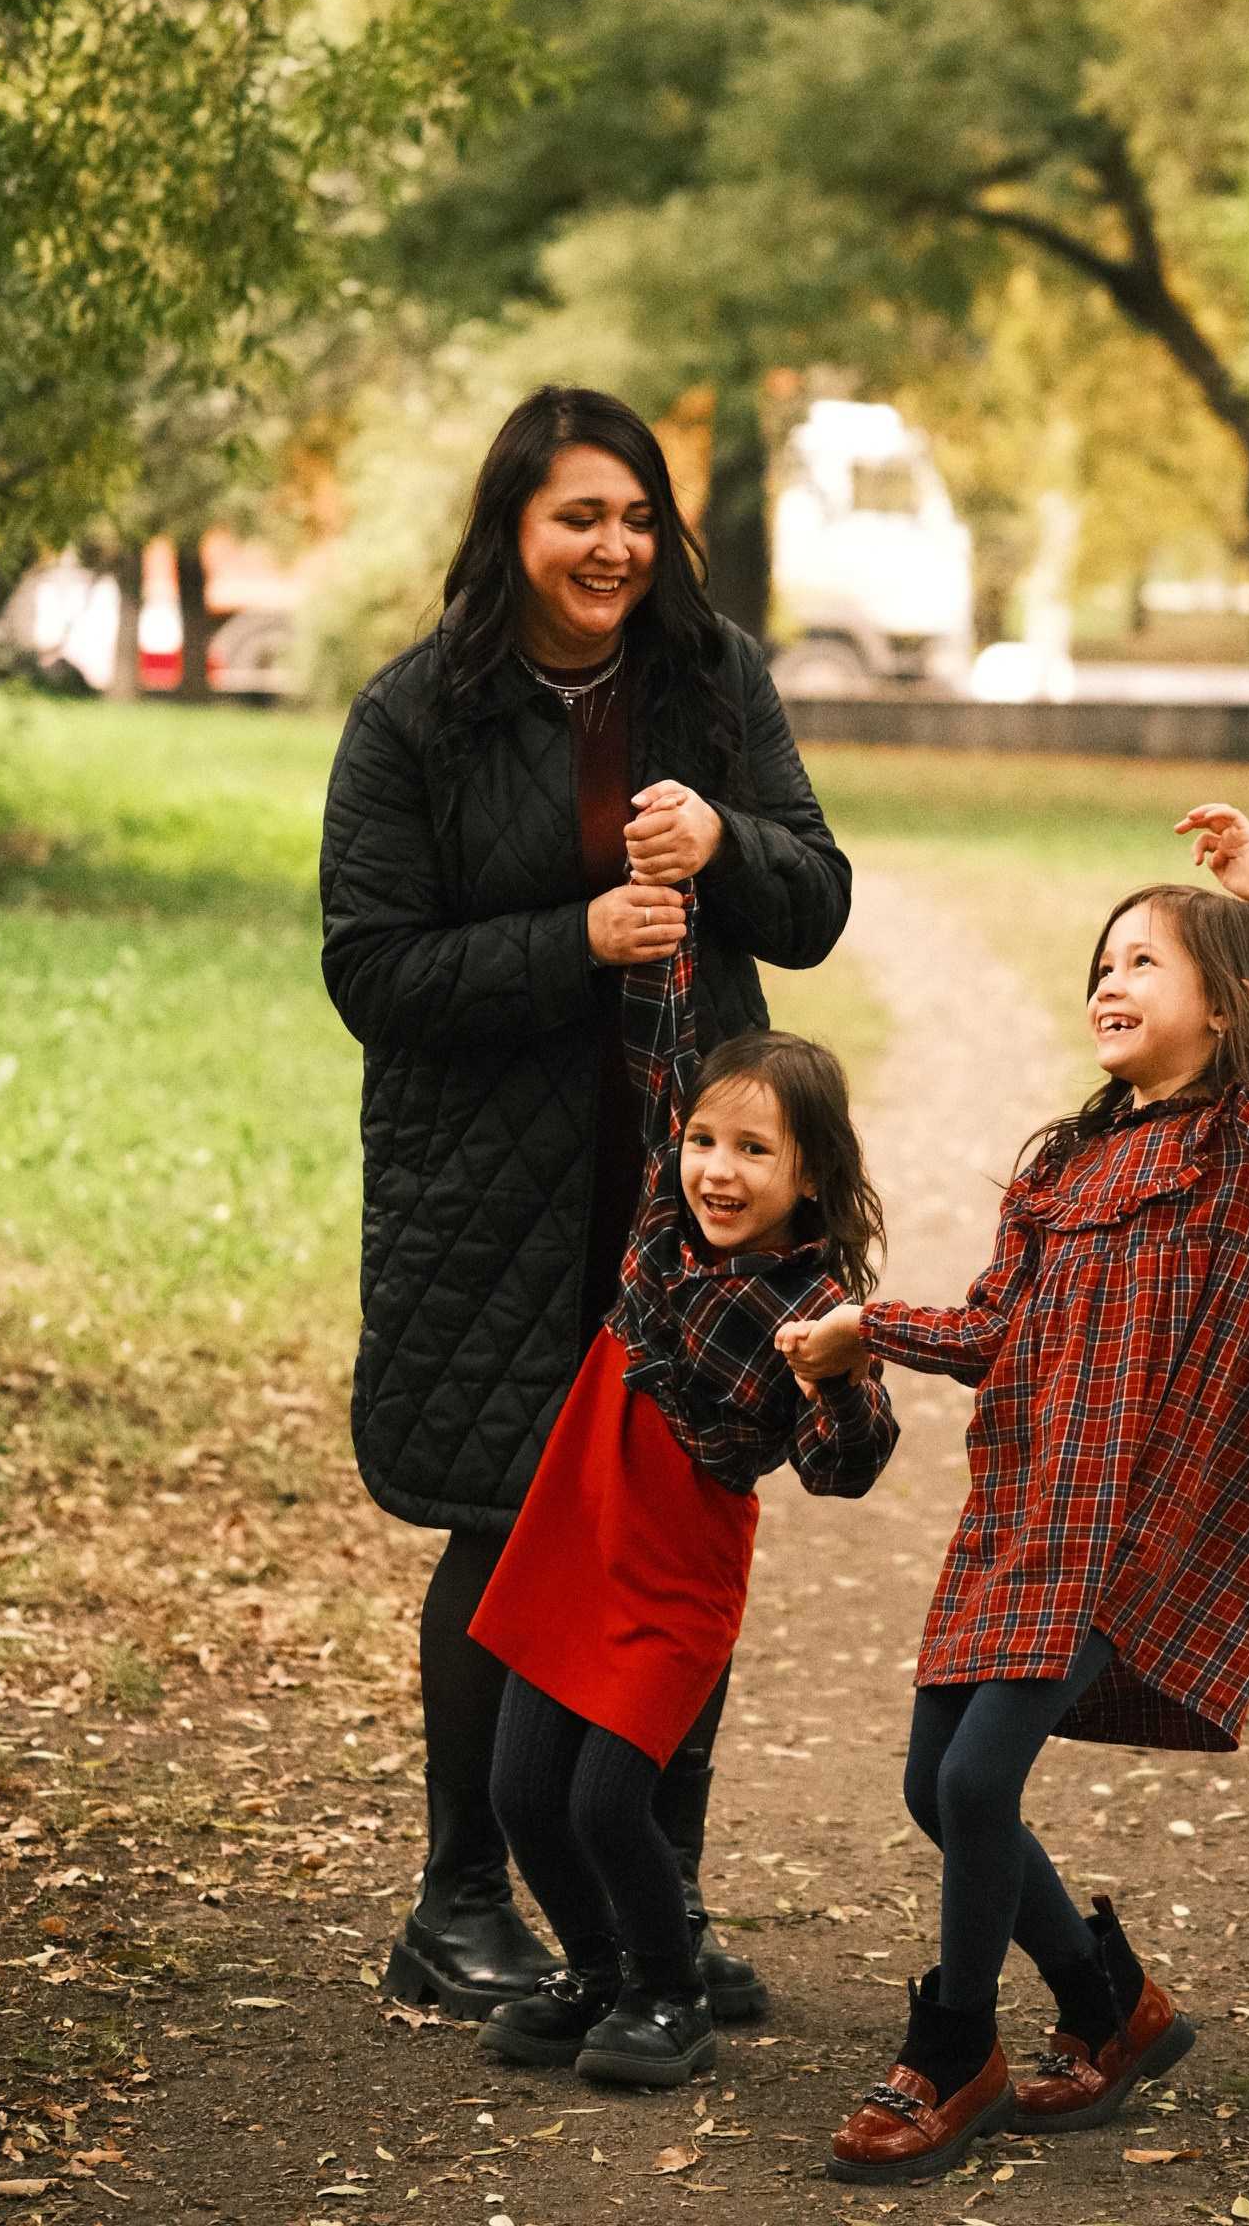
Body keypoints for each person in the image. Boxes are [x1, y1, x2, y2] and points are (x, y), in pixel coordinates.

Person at [320, 384, 853, 2020]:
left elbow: (816, 900)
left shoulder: (712, 680)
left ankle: (653, 1909)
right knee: (503, 1526)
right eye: (578, 517)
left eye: (635, 517)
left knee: (671, 1516)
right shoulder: (418, 715)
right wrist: (577, 941)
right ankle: (460, 1900)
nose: (613, 547)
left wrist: (732, 841)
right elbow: (371, 968)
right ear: (514, 530)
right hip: (489, 1196)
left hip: (686, 1196)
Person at [779, 802, 1249, 2181]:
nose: (1109, 983)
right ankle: (1112, 2006)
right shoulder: (1060, 1168)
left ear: (1229, 1002)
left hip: (1136, 1526)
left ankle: (955, 2050)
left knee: (983, 1776)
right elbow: (998, 1327)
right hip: (1024, 1516)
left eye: (1145, 963)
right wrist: (864, 1330)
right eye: (1102, 964)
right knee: (934, 1788)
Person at [470, 879, 897, 2084]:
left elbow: (846, 1470)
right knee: (520, 1795)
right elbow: (659, 1056)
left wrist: (839, 1376)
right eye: (706, 1142)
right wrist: (670, 901)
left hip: (671, 1575)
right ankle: (598, 1966)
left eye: (753, 1151)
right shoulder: (662, 1220)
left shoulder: (809, 1308)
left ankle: (669, 1992)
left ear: (808, 1178)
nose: (717, 1167)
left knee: (611, 1804)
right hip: (570, 1539)